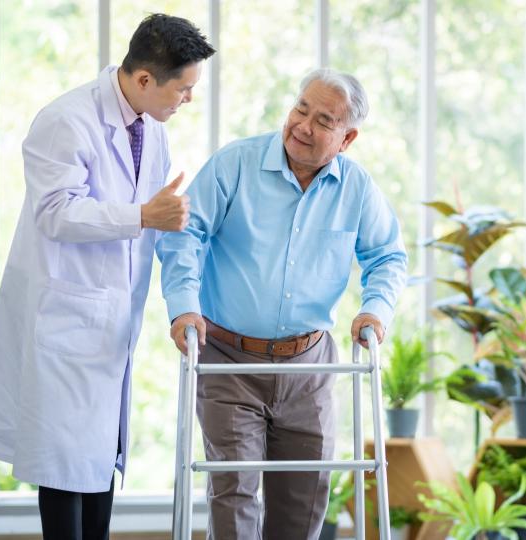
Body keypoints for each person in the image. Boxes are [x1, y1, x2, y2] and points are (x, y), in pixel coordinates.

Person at [0, 14, 215, 540]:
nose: (188, 99)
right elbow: (56, 212)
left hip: (110, 323)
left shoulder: (152, 131)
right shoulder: (66, 120)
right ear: (146, 80)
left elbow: (158, 217)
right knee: (64, 470)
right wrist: (143, 217)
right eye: (184, 88)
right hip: (66, 318)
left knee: (100, 461)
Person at [157, 68, 408, 539]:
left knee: (305, 499)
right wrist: (184, 306)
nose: (303, 125)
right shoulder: (235, 164)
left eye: (323, 120)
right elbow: (185, 235)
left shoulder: (356, 188)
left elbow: (388, 255)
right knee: (234, 497)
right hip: (228, 361)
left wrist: (376, 309)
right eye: (300, 109)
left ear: (347, 137)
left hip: (308, 366)